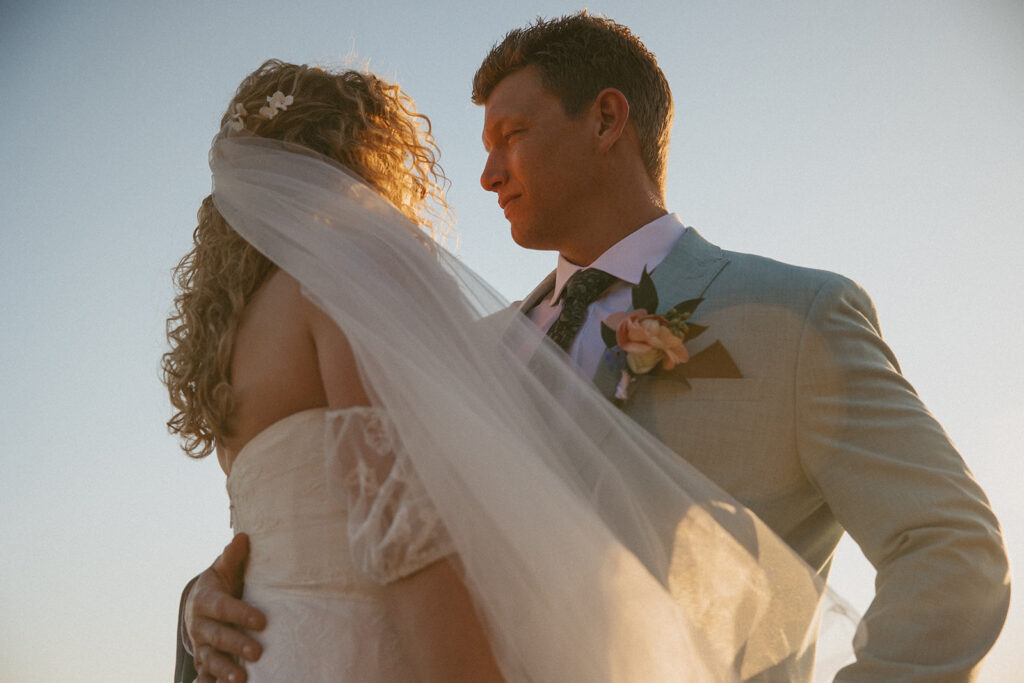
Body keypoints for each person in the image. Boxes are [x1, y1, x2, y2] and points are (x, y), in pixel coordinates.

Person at [178, 13, 1011, 681]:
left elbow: (951, 547)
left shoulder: (795, 317)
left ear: (607, 119)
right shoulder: (456, 354)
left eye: (512, 134)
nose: (488, 174)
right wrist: (206, 601)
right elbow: (358, 543)